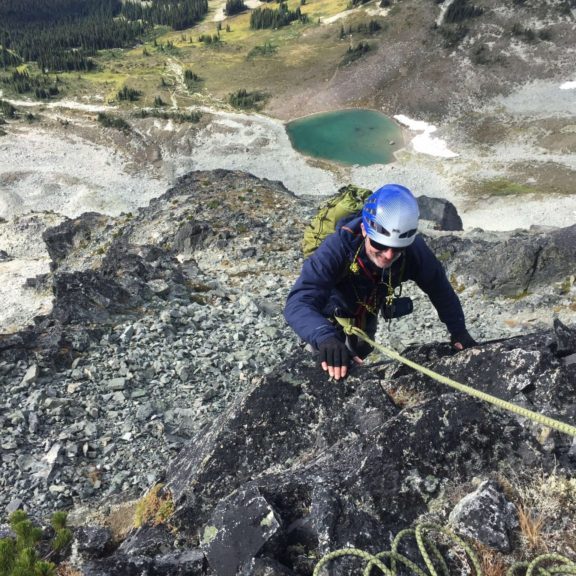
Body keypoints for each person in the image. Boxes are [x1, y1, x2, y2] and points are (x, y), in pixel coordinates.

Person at [284, 184, 476, 380]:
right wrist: (324, 337)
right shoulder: (338, 247)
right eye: (380, 244)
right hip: (327, 315)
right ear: (364, 230)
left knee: (362, 348)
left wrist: (459, 331)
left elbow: (440, 290)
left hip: (367, 313)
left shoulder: (415, 251)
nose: (388, 255)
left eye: (397, 248)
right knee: (324, 368)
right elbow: (298, 301)